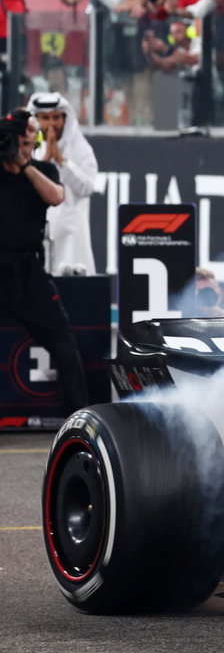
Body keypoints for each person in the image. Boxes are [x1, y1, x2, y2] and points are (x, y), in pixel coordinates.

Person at [0, 108, 87, 415]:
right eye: (15, 142)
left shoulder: (41, 171)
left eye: (26, 143)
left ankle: (78, 416)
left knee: (63, 343)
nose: (19, 148)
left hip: (27, 272)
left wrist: (24, 164)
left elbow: (56, 197)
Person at [25, 93, 98, 275]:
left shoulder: (80, 148)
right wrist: (46, 159)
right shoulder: (28, 148)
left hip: (72, 233)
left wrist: (61, 161)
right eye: (45, 118)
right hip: (36, 231)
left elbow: (87, 187)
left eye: (56, 117)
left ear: (65, 118)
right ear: (37, 120)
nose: (51, 124)